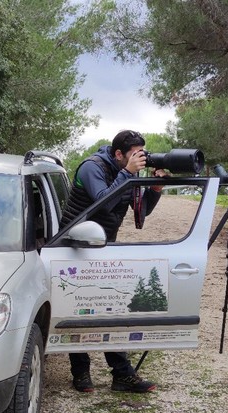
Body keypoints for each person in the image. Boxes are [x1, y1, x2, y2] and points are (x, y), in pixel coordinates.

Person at [59, 130, 166, 393]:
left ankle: (122, 375)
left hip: (105, 245)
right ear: (118, 154)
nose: (139, 158)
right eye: (134, 154)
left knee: (113, 307)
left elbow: (141, 210)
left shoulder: (127, 170)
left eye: (142, 153)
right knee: (80, 308)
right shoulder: (91, 167)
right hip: (76, 246)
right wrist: (128, 174)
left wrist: (154, 188)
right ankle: (81, 372)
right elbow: (103, 203)